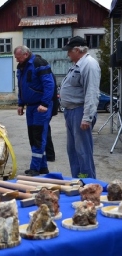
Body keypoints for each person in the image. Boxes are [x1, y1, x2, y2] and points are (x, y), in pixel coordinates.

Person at [60, 36, 100, 179]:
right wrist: (68, 113)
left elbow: (92, 92)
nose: (68, 54)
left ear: (77, 50)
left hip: (80, 111)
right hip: (72, 112)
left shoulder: (89, 64)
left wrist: (87, 117)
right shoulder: (77, 64)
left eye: (69, 51)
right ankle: (78, 181)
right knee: (73, 151)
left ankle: (89, 184)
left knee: (83, 151)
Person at [14, 45, 55, 176]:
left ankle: (35, 168)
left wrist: (45, 103)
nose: (17, 60)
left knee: (38, 136)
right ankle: (43, 167)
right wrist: (20, 103)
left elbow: (49, 85)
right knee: (33, 136)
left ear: (25, 55)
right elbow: (21, 86)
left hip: (40, 107)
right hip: (31, 107)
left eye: (18, 57)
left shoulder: (39, 63)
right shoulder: (21, 67)